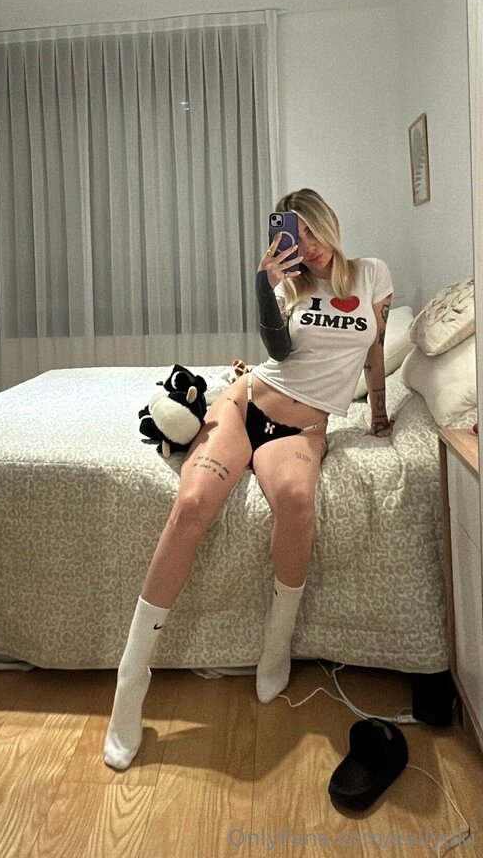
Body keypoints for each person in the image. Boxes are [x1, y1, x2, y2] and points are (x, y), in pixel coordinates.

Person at [104, 188, 394, 770]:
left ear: (329, 224)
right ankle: (131, 681)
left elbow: (375, 349)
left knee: (297, 500)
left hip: (302, 429)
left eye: (312, 230)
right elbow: (278, 350)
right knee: (192, 504)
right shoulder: (290, 287)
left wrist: (380, 412)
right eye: (294, 234)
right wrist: (265, 284)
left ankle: (275, 646)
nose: (306, 245)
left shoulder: (372, 275)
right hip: (246, 403)